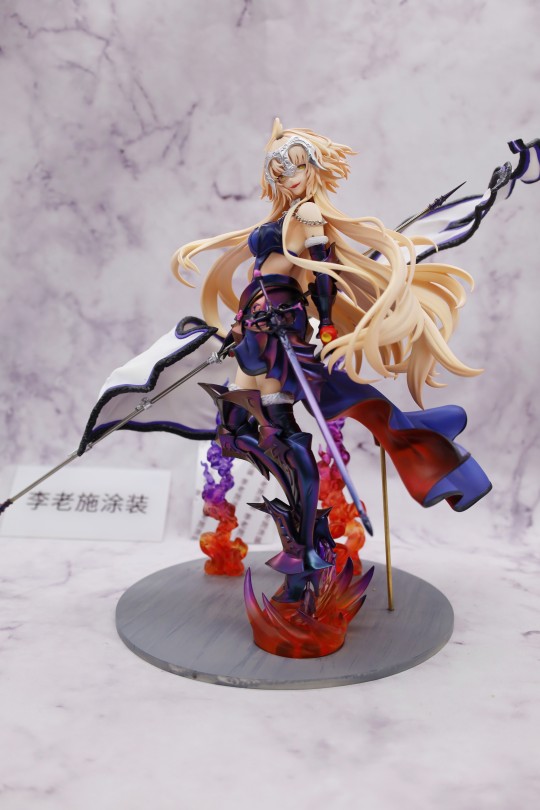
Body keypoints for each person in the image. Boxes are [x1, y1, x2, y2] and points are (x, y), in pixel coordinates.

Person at [170, 119, 491, 605]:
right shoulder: (285, 215)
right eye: (277, 167)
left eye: (294, 165)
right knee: (233, 429)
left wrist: (325, 326)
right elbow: (259, 275)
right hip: (254, 329)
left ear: (313, 168)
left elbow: (323, 276)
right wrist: (237, 325)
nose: (285, 175)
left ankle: (303, 553)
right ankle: (302, 519)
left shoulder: (310, 214)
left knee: (279, 431)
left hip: (280, 330)